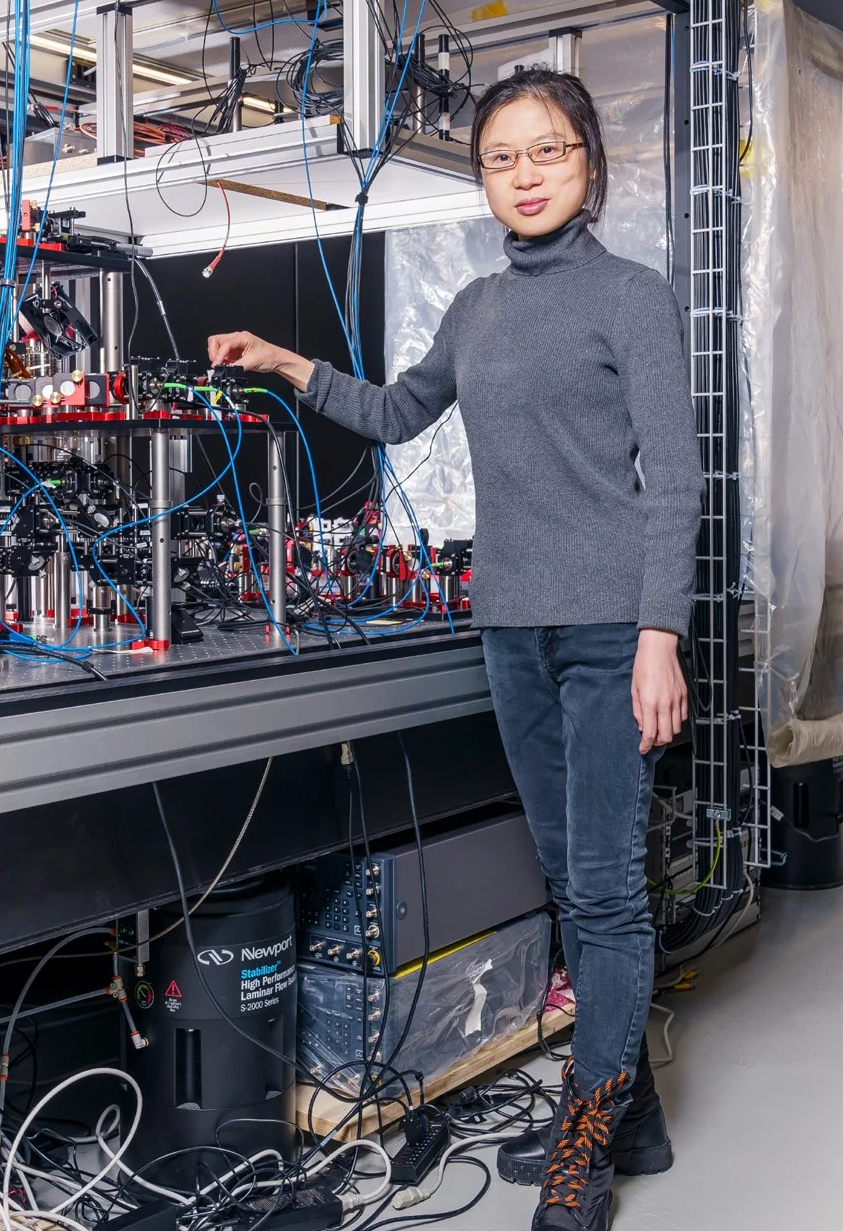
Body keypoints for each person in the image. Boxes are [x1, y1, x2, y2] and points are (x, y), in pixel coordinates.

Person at [207, 69, 697, 1231]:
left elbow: (674, 483)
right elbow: (394, 414)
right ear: (482, 180)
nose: (524, 175)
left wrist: (658, 637)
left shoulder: (632, 298)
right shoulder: (475, 307)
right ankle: (630, 1111)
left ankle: (589, 1144)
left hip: (609, 633)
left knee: (606, 891)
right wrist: (287, 363)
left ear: (589, 166)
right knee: (567, 871)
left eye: (548, 152)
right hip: (511, 630)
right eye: (500, 159)